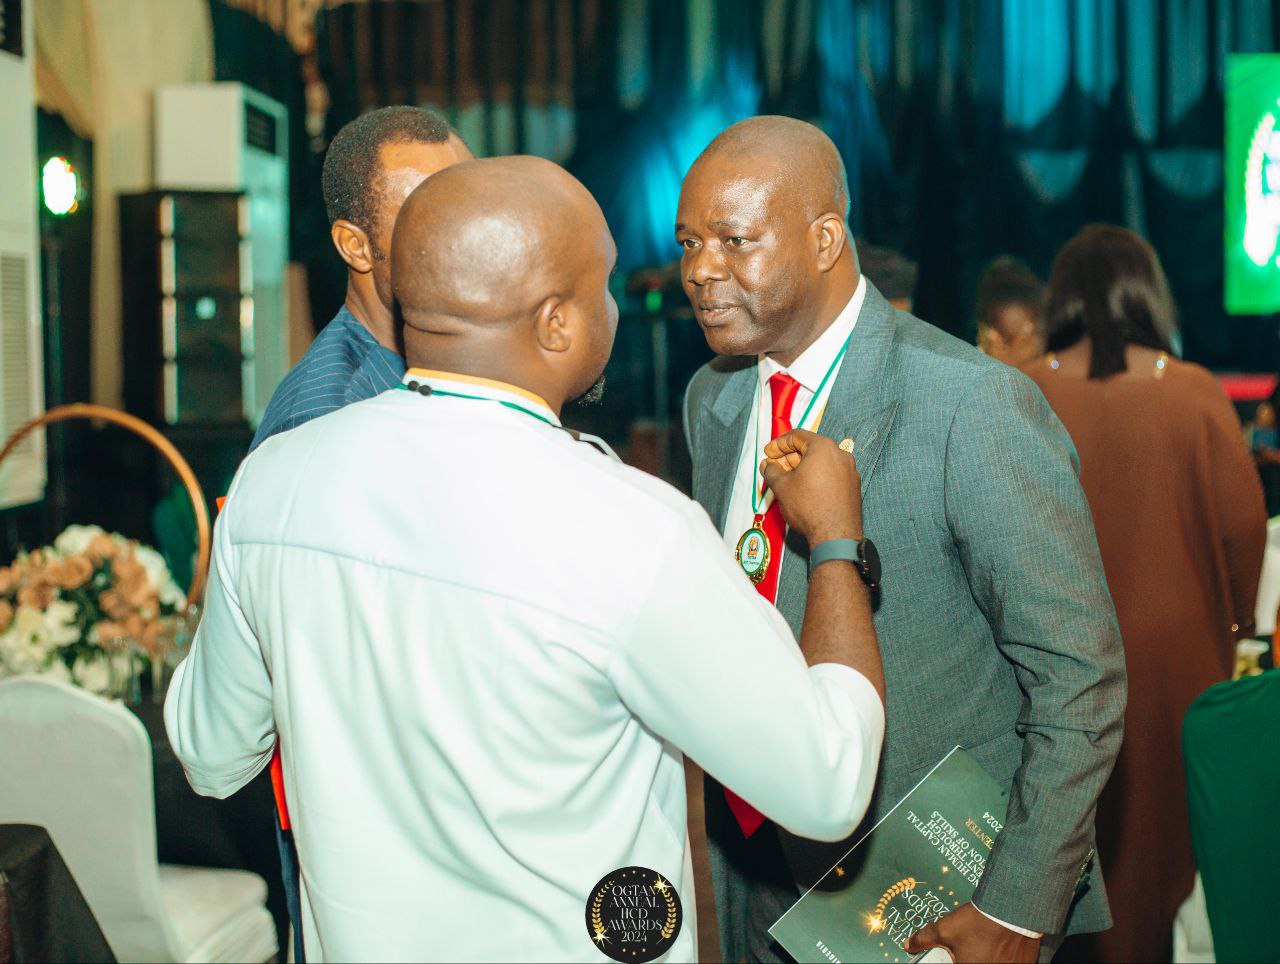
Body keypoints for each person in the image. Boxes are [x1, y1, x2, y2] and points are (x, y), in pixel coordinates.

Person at [166, 156, 889, 961]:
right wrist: (834, 541)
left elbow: (209, 752)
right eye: (603, 285)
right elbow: (827, 786)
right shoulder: (632, 529)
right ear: (555, 324)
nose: (617, 306)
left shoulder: (273, 482)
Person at [677, 116, 1126, 963]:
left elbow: (1080, 679)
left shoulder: (971, 403)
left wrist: (1017, 910)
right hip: (753, 878)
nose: (701, 269)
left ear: (824, 240)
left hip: (936, 904)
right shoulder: (713, 399)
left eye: (735, 240)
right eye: (689, 243)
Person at [248, 104, 470, 963]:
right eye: (427, 211)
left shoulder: (442, 363)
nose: (461, 228)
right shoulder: (327, 416)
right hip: (382, 853)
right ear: (355, 245)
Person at [1023, 224, 1266, 963]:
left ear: (1061, 297)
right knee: (1157, 852)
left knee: (1056, 833)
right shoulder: (1193, 391)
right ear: (1149, 294)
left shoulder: (1025, 388)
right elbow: (1244, 529)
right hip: (1175, 660)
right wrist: (1231, 627)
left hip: (1050, 661)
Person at [251, 105, 473, 451]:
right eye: (430, 221)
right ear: (355, 247)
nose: (467, 240)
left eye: (473, 213)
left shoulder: (462, 356)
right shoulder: (325, 419)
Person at [974, 256, 1047, 369]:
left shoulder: (1053, 363)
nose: (1023, 351)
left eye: (1031, 335)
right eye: (1009, 340)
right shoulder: (974, 369)